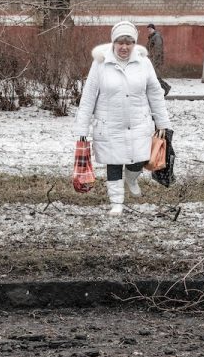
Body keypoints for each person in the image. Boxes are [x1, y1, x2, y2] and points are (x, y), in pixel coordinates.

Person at [73, 21, 171, 215]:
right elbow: (88, 96)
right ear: (113, 43)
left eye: (129, 42)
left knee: (139, 159)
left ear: (134, 43)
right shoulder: (100, 63)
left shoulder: (144, 62)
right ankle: (116, 202)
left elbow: (155, 93)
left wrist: (162, 122)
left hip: (139, 122)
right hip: (109, 124)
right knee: (114, 163)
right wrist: (82, 129)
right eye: (120, 42)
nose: (124, 47)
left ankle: (132, 178)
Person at [146, 23, 171, 96]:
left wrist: (155, 59)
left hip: (155, 60)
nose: (149, 30)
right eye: (148, 29)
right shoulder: (152, 37)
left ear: (153, 29)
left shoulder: (156, 36)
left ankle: (166, 87)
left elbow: (158, 48)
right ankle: (164, 87)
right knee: (152, 76)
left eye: (150, 29)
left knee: (155, 76)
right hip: (152, 59)